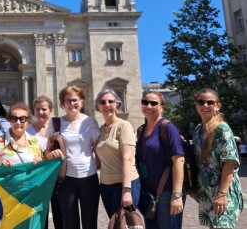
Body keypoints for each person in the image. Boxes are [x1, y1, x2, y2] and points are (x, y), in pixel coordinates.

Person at [45, 86, 101, 229]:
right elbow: (47, 152)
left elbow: (97, 148)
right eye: (67, 101)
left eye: (75, 100)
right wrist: (52, 154)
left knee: (90, 222)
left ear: (81, 101)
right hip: (66, 180)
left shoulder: (90, 122)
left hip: (89, 177)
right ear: (63, 104)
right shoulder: (55, 123)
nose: (72, 104)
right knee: (70, 223)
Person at [193, 88, 243, 229]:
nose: (205, 105)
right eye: (201, 102)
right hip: (207, 191)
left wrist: (222, 194)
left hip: (223, 191)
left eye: (210, 102)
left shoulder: (222, 129)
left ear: (217, 106)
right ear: (196, 105)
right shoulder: (197, 130)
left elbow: (230, 162)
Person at [136, 90, 185, 229]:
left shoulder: (168, 127)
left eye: (153, 103)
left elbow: (179, 161)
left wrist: (176, 195)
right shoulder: (142, 130)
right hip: (149, 193)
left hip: (168, 192)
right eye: (145, 102)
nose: (148, 106)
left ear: (162, 106)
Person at [94, 89, 140, 217]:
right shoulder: (101, 130)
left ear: (117, 105)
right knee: (115, 223)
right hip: (105, 185)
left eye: (111, 101)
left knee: (125, 222)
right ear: (98, 106)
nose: (107, 105)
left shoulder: (124, 125)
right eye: (103, 102)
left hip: (124, 183)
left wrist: (126, 190)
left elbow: (127, 159)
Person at [27, 95, 63, 229]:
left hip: (57, 177)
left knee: (60, 214)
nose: (41, 112)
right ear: (33, 110)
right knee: (41, 214)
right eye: (37, 109)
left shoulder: (58, 126)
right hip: (39, 178)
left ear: (51, 110)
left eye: (44, 109)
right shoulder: (28, 131)